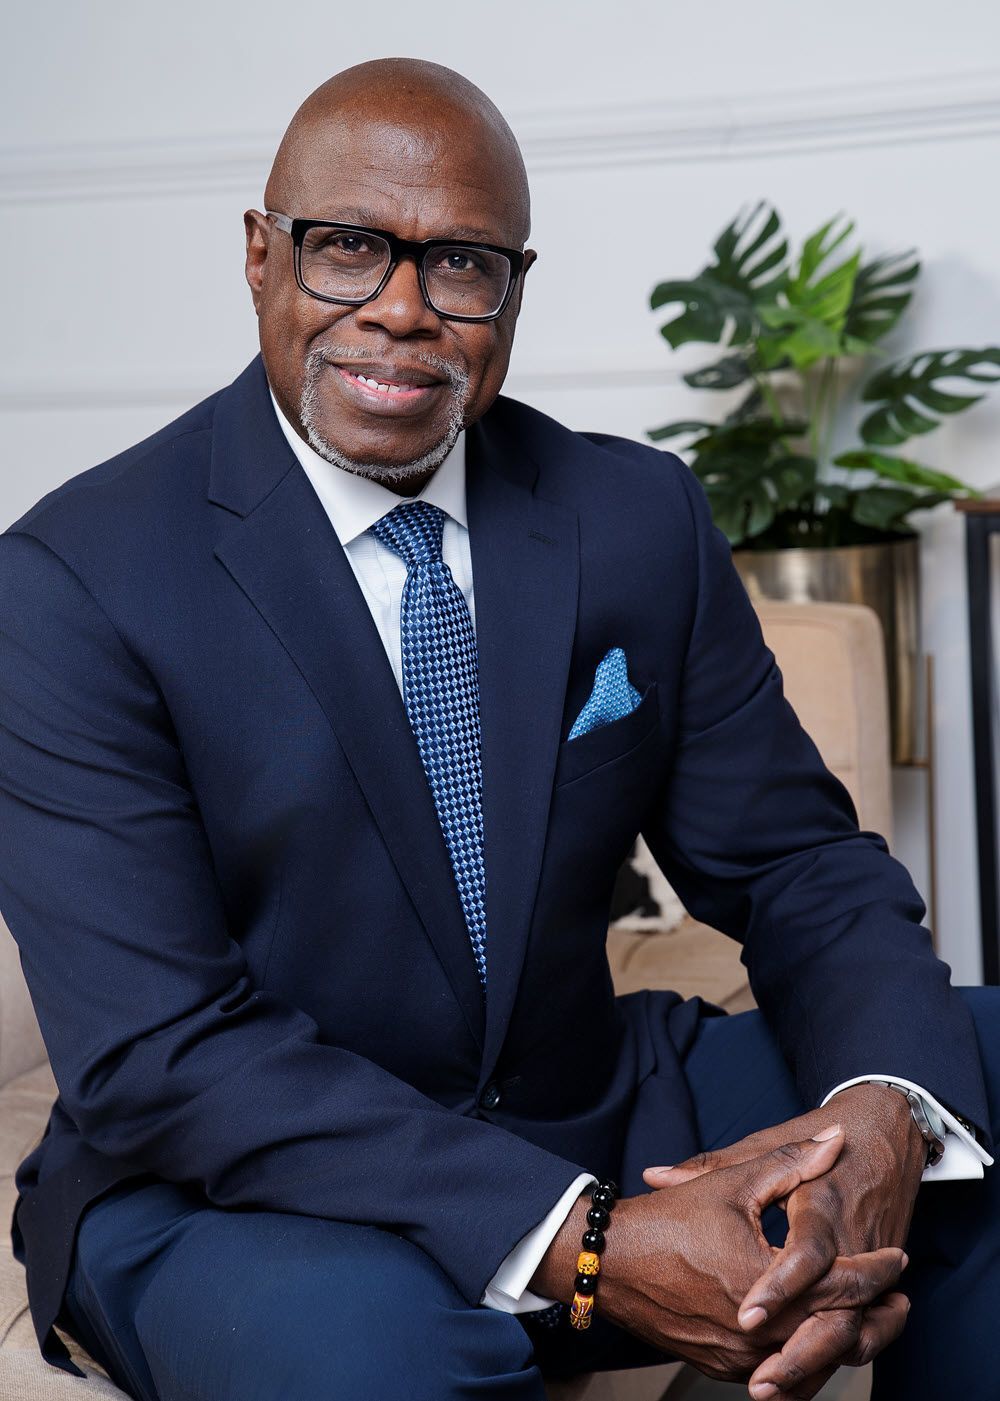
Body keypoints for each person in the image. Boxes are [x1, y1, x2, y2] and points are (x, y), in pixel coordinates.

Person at [0, 55, 996, 1401]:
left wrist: (881, 1124)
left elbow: (796, 869)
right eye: (350, 248)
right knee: (372, 1357)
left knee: (964, 1074)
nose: (404, 311)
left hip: (594, 1104)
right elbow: (162, 1051)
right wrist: (584, 1242)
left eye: (461, 264)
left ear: (514, 287)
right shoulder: (75, 579)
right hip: (241, 1188)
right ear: (259, 254)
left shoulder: (628, 517)